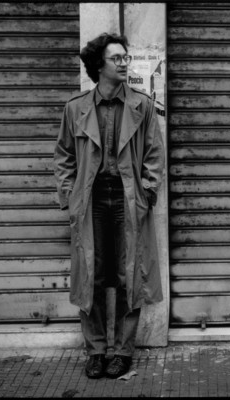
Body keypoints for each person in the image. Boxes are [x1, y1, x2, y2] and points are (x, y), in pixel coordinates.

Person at [53, 33, 164, 379]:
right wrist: (70, 196)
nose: (124, 63)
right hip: (91, 201)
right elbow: (64, 156)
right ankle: (96, 351)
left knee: (130, 274)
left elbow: (154, 155)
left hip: (129, 199)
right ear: (98, 65)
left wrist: (147, 193)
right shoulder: (76, 108)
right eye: (117, 58)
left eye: (125, 57)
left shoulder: (142, 106)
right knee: (93, 276)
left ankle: (123, 351)